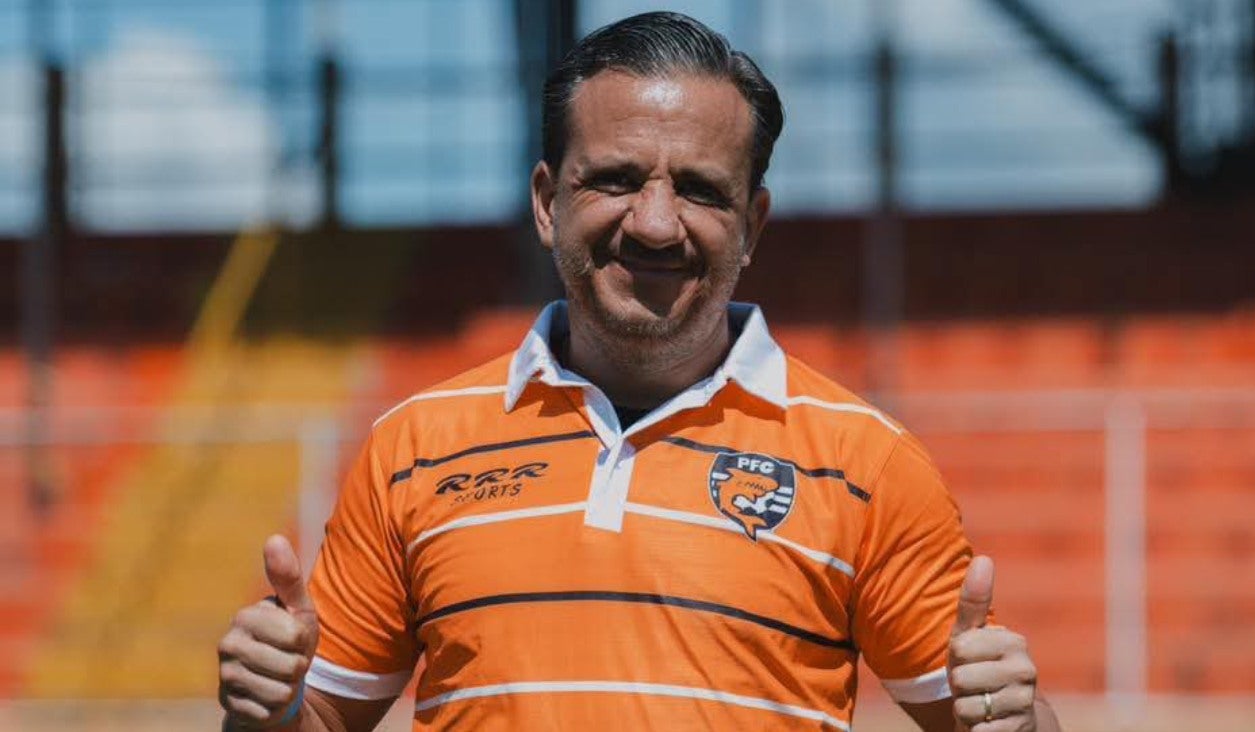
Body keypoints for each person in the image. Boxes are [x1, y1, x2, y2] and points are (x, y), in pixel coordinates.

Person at [217, 11, 1061, 732]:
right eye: (617, 179)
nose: (655, 224)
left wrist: (1016, 721)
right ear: (547, 202)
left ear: (754, 224)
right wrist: (272, 709)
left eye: (700, 190)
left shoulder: (868, 464)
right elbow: (322, 718)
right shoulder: (413, 447)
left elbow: (986, 719)